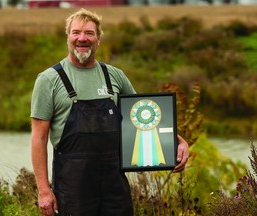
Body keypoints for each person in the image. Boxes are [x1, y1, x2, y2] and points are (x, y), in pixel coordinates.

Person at [30, 8, 189, 216]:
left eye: (89, 33)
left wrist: (177, 142)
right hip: (72, 186)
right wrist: (44, 191)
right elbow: (38, 138)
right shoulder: (49, 80)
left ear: (98, 39)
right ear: (68, 37)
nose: (82, 38)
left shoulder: (115, 76)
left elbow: (142, 121)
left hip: (114, 186)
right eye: (76, 32)